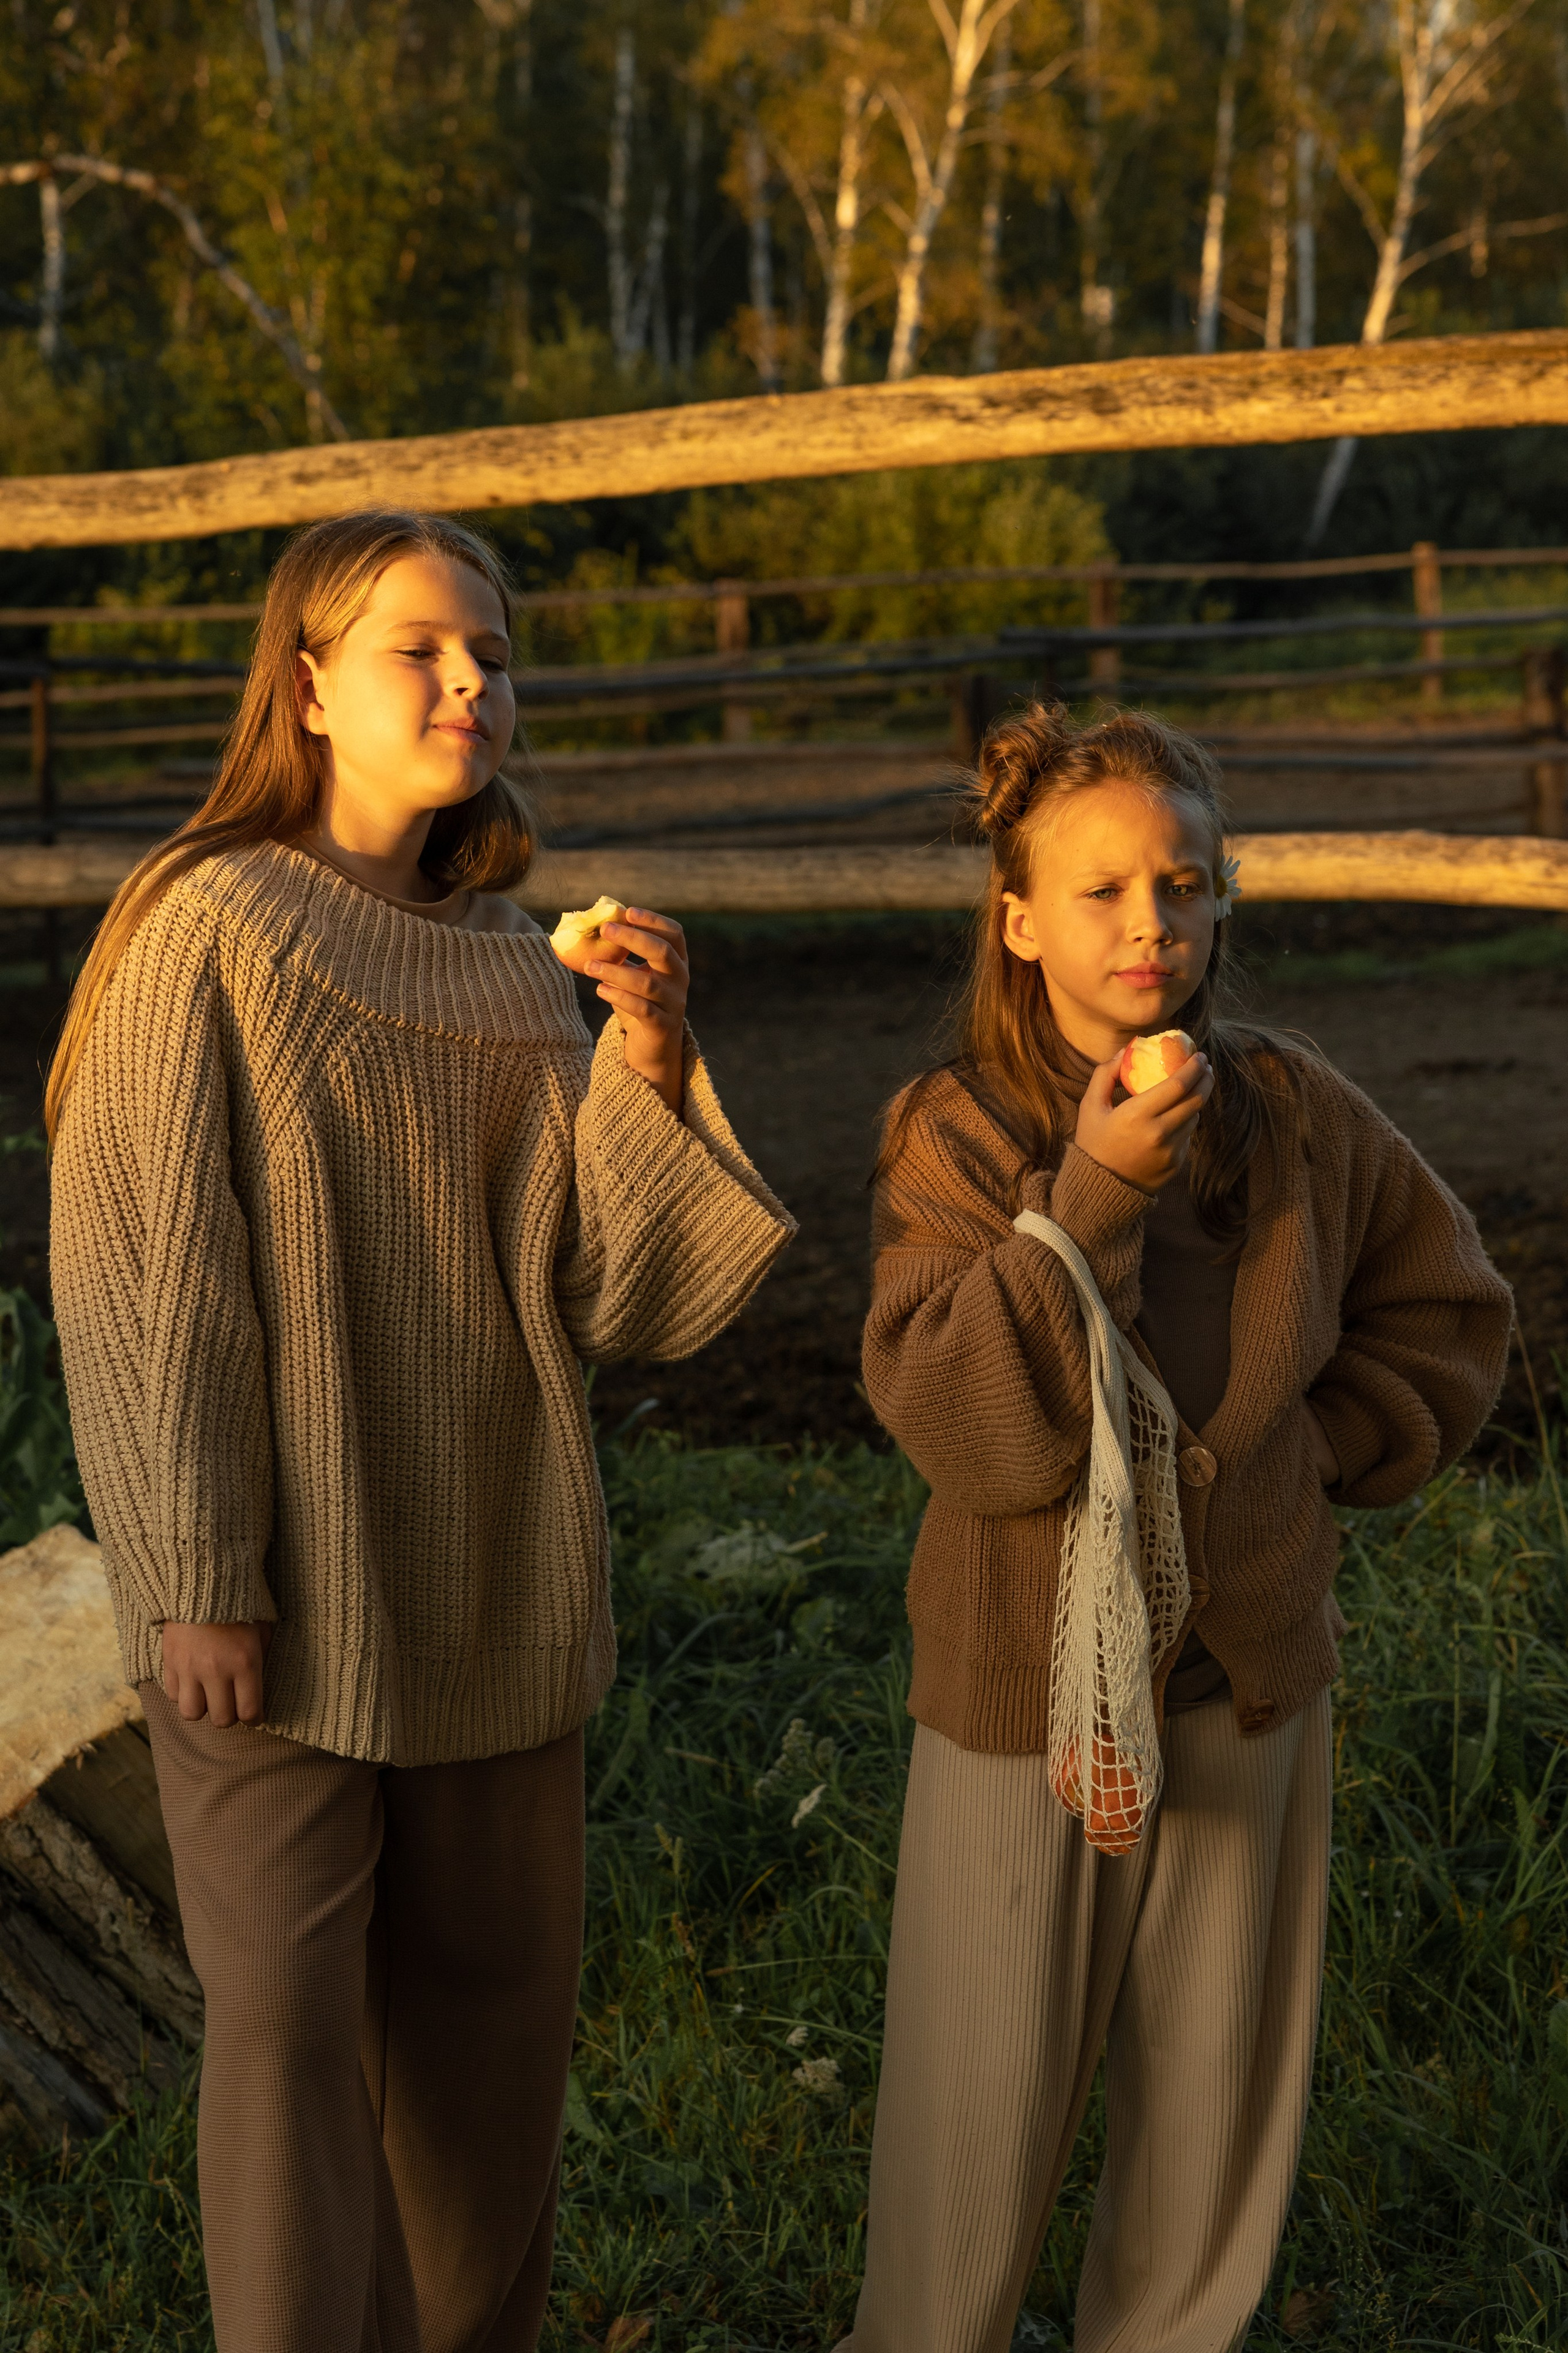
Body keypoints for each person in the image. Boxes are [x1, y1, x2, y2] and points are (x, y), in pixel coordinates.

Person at [46, 508, 794, 2353]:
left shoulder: (522, 975)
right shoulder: (203, 924)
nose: (474, 682)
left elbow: (625, 1298)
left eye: (496, 652)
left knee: (485, 2048)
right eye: (422, 650)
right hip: (278, 1609)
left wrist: (649, 1062)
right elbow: (151, 1276)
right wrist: (199, 1574)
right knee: (291, 2037)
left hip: (492, 1585)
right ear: (306, 682)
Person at [840, 703, 1510, 2353]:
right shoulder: (960, 1131)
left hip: (1248, 1679)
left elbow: (1453, 1311)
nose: (1152, 923)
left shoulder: (1290, 1109)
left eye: (1185, 883)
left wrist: (1299, 1451)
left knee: (1214, 2095)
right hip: (1025, 1696)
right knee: (975, 2099)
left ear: (1223, 899)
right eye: (1103, 891)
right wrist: (1095, 1199)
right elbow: (971, 1433)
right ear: (1016, 919)